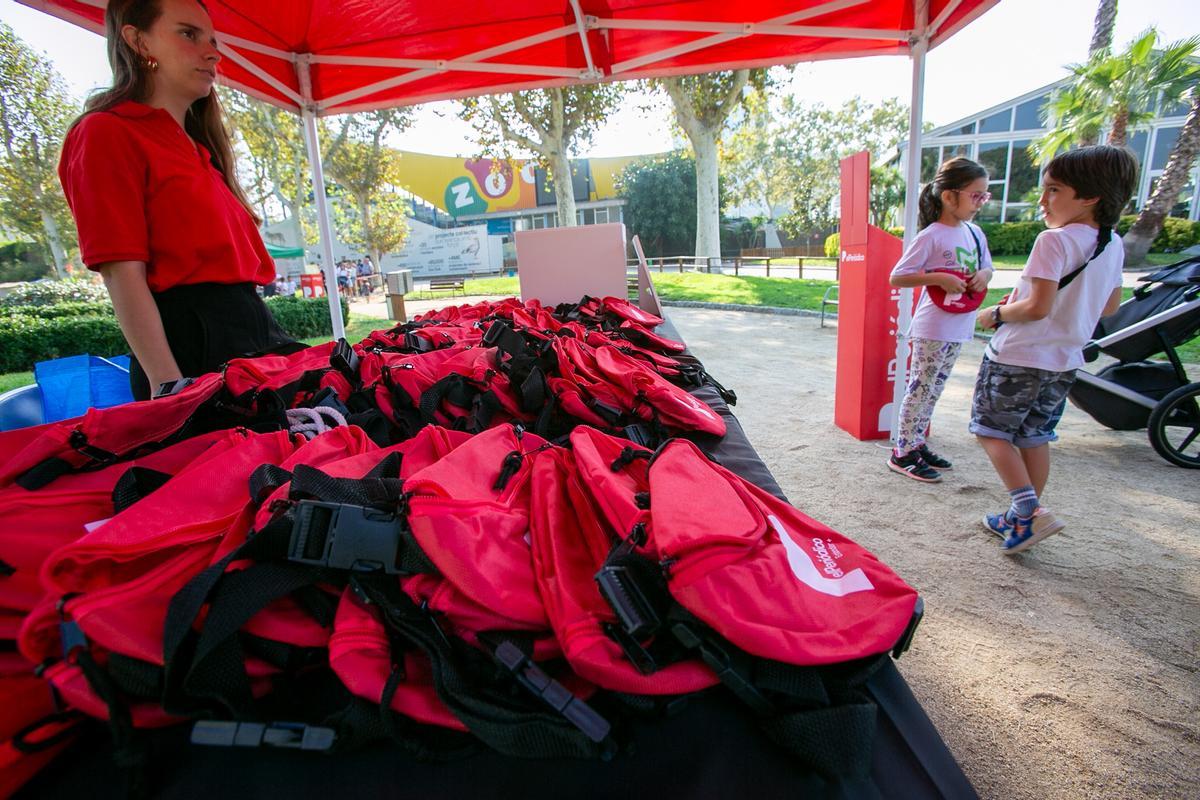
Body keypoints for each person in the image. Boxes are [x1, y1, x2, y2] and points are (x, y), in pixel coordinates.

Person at [58, 0, 295, 401]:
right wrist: (169, 387)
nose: (212, 52)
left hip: (254, 334)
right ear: (138, 41)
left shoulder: (200, 149)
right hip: (191, 350)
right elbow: (122, 274)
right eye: (188, 34)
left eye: (213, 40)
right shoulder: (107, 133)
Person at [972, 145, 1138, 554]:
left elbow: (1035, 307)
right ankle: (1019, 518)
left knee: (989, 431)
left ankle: (1029, 512)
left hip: (1019, 356)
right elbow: (1111, 306)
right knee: (1033, 434)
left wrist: (995, 313)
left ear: (1091, 197)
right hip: (1064, 361)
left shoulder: (1054, 241)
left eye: (1054, 190)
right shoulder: (1112, 243)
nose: (1043, 200)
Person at [887, 157, 994, 482]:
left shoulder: (975, 234)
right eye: (975, 195)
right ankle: (902, 451)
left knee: (934, 389)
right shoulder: (932, 235)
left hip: (960, 325)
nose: (980, 203)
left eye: (984, 196)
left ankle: (917, 443)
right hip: (933, 326)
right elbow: (898, 276)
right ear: (949, 196)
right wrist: (936, 278)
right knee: (921, 388)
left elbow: (988, 267)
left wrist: (984, 275)